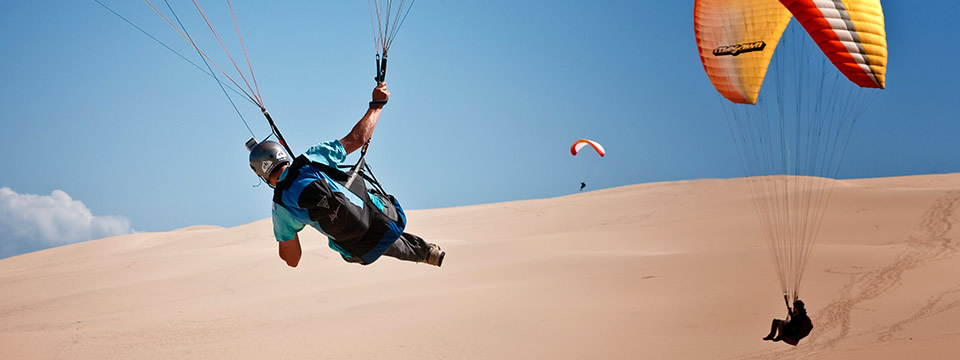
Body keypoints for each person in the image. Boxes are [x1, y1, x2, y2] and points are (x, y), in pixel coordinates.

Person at [247, 82, 444, 268]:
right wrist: (377, 105)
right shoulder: (310, 160)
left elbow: (293, 260)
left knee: (363, 237)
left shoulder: (280, 207)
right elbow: (358, 138)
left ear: (263, 175)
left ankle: (425, 253)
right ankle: (425, 251)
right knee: (364, 201)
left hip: (360, 252)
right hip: (390, 220)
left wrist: (284, 234)